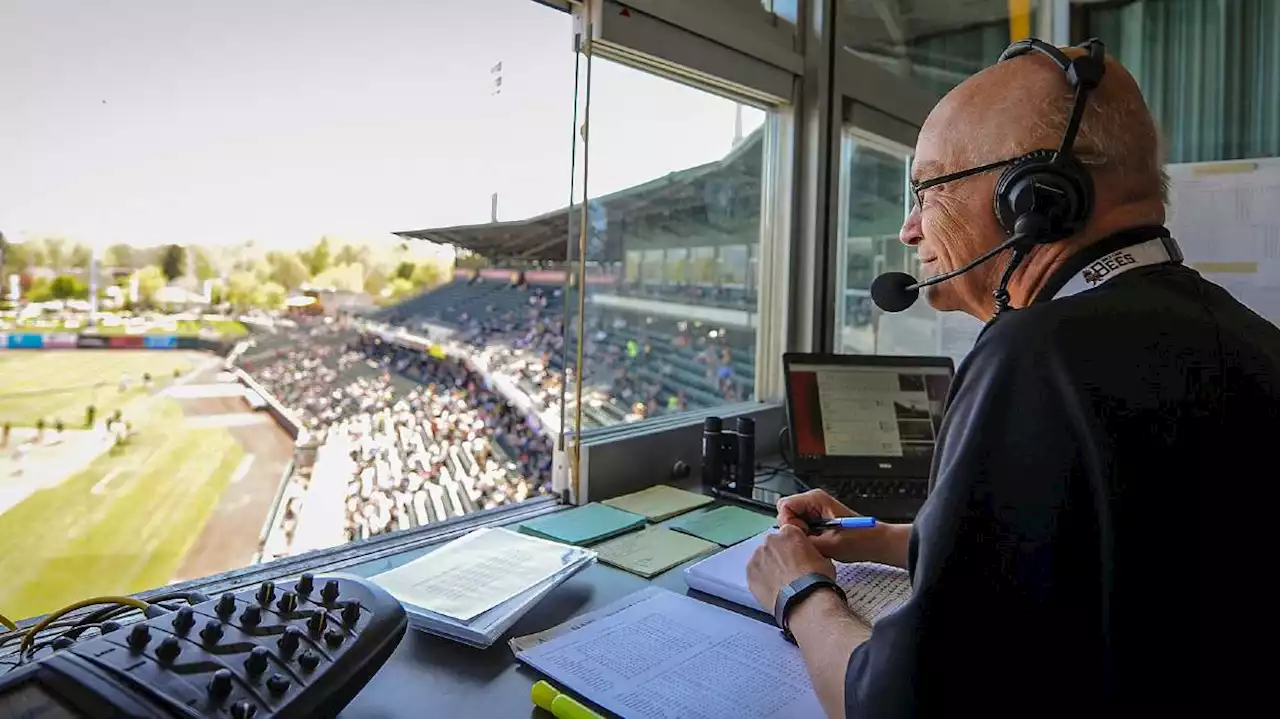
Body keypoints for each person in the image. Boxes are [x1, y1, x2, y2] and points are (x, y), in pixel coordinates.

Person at [747, 40, 1278, 715]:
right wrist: (889, 538)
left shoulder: (1034, 354)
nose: (910, 230)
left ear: (1035, 199)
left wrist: (800, 590)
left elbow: (893, 704)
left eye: (928, 188)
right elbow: (1123, 558)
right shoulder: (1244, 338)